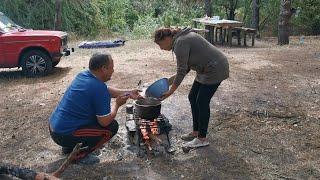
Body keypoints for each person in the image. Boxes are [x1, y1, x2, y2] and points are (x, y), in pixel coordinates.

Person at [49, 52, 140, 163]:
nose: (113, 71)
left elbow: (106, 90)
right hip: (63, 134)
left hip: (55, 127)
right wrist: (117, 105)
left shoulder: (84, 75)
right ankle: (78, 155)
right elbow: (104, 122)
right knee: (111, 128)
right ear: (104, 69)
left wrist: (129, 92)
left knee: (93, 121)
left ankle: (69, 147)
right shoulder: (97, 88)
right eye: (112, 68)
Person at [154, 27, 229, 148]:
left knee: (202, 101)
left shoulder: (180, 42)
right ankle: (196, 131)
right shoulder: (180, 40)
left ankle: (202, 138)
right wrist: (166, 82)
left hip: (215, 68)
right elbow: (186, 68)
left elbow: (182, 70)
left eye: (160, 44)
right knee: (192, 97)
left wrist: (171, 91)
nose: (161, 48)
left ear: (167, 38)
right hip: (205, 69)